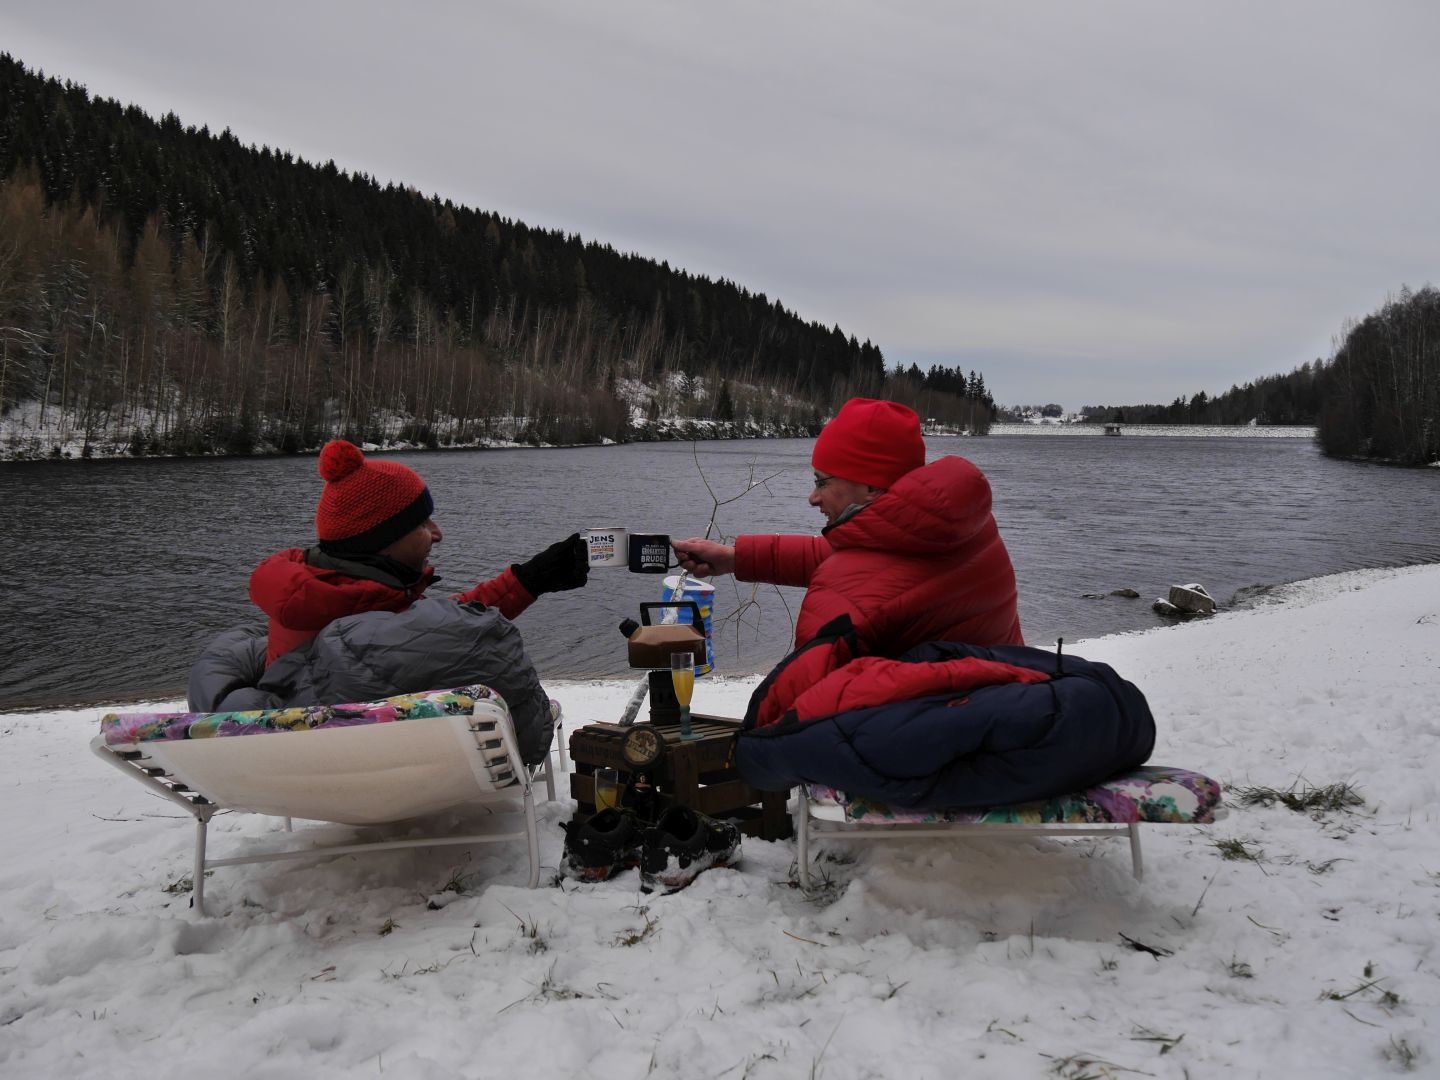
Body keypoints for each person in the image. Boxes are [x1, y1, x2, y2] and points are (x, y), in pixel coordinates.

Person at [187, 439, 587, 764]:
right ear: (382, 542)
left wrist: (527, 581)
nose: (438, 533)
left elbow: (428, 627)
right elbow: (449, 634)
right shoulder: (361, 633)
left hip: (318, 767)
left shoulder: (321, 601)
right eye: (421, 524)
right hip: (379, 773)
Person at [672, 397, 1022, 724]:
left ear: (870, 486)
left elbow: (800, 701)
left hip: (924, 758)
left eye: (821, 482)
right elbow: (858, 563)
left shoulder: (860, 577)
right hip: (1004, 716)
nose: (812, 498)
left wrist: (753, 745)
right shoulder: (955, 528)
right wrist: (736, 558)